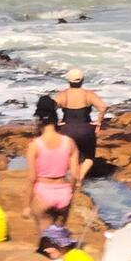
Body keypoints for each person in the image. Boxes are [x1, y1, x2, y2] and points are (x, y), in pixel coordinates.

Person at [22, 95, 80, 238]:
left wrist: (26, 205)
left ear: (39, 120)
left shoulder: (35, 145)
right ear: (56, 119)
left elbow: (31, 178)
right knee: (61, 241)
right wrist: (70, 194)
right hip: (63, 193)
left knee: (46, 242)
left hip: (43, 192)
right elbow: (74, 176)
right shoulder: (69, 142)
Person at [55, 68, 107, 179]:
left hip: (66, 130)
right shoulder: (88, 94)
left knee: (69, 155)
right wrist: (98, 122)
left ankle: (72, 176)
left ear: (68, 81)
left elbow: (50, 108)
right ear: (82, 80)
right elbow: (103, 107)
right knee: (89, 157)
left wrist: (56, 123)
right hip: (85, 130)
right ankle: (80, 177)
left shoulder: (62, 95)